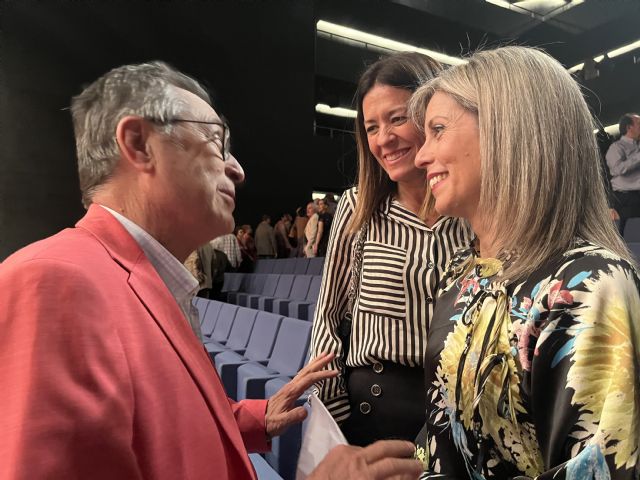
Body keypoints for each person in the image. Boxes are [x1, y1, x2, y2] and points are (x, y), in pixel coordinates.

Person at [0, 61, 423, 480]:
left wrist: (255, 419)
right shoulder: (54, 282)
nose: (237, 169)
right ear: (139, 144)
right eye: (216, 141)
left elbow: (162, 425)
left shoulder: (146, 280)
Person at [410, 46, 640, 479]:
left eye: (438, 130)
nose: (420, 157)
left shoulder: (590, 283)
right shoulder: (461, 273)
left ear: (508, 132)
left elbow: (601, 470)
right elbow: (445, 430)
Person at [310, 52, 471, 447]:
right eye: (371, 127)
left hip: (457, 412)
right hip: (373, 410)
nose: (384, 138)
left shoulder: (472, 212)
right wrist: (337, 421)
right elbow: (328, 317)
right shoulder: (358, 207)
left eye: (397, 118)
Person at [606, 112, 640, 235]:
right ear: (629, 128)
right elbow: (617, 170)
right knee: (630, 235)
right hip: (626, 200)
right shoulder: (616, 148)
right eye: (639, 124)